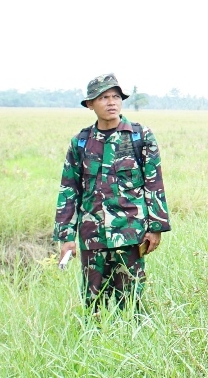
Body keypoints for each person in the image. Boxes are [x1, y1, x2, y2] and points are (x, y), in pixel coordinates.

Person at [55, 73, 171, 311]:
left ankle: (132, 344)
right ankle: (93, 346)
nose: (111, 102)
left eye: (116, 97)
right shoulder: (80, 142)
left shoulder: (140, 136)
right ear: (90, 104)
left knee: (130, 303)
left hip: (130, 235)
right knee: (92, 304)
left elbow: (153, 184)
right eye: (104, 97)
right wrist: (66, 237)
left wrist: (156, 228)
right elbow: (69, 190)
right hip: (92, 237)